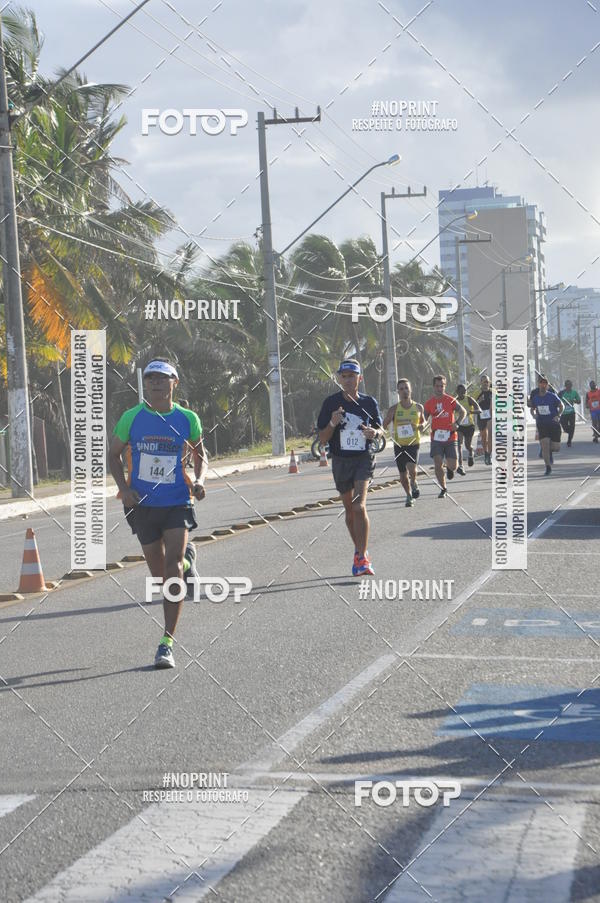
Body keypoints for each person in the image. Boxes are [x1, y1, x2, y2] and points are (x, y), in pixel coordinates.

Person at [108, 359, 207, 669]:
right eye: (150, 379)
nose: (155, 384)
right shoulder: (131, 418)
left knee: (172, 568)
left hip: (177, 500)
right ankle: (189, 560)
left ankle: (166, 642)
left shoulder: (187, 418)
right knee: (160, 577)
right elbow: (112, 455)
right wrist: (124, 489)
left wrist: (201, 480)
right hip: (142, 505)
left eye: (162, 379)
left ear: (174, 383)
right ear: (145, 384)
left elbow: (200, 452)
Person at [317, 359, 383, 576]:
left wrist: (374, 433)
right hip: (340, 460)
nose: (347, 379)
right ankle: (360, 551)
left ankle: (362, 558)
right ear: (339, 379)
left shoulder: (369, 403)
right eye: (343, 376)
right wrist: (333, 423)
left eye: (351, 376)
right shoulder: (330, 403)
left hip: (363, 458)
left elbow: (380, 430)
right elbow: (323, 439)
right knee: (349, 512)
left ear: (359, 378)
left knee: (358, 506)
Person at [382, 378, 424, 507]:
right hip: (399, 444)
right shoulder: (394, 409)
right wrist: (388, 421)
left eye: (406, 388)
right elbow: (384, 424)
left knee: (412, 468)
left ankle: (414, 482)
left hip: (413, 443)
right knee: (402, 475)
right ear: (398, 392)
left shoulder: (418, 407)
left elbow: (423, 421)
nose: (404, 391)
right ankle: (409, 495)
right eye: (401, 389)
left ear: (410, 390)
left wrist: (421, 426)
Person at [423, 375, 466, 498]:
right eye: (437, 386)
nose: (439, 388)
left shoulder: (450, 400)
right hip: (436, 437)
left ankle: (450, 469)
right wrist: (422, 425)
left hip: (450, 437)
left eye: (442, 386)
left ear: (444, 386)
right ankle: (443, 488)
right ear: (433, 387)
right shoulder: (429, 403)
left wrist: (457, 423)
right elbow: (424, 419)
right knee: (437, 463)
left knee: (453, 465)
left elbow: (463, 411)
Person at [529, 374, 564, 475]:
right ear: (538, 385)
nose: (543, 385)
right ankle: (548, 467)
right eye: (541, 383)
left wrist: (558, 415)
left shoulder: (552, 396)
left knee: (556, 448)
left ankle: (548, 450)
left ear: (547, 385)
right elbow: (532, 408)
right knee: (545, 445)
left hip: (553, 424)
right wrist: (533, 415)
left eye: (545, 383)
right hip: (542, 424)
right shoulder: (535, 397)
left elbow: (561, 406)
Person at [455, 384, 481, 474]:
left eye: (464, 391)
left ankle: (471, 453)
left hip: (469, 426)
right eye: (461, 392)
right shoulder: (455, 401)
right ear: (457, 392)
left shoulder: (469, 399)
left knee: (468, 446)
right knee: (459, 445)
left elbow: (479, 410)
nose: (463, 393)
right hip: (460, 426)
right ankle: (461, 465)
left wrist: (471, 411)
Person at [558, 380, 581, 447]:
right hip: (563, 413)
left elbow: (579, 401)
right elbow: (556, 399)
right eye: (567, 385)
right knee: (565, 427)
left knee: (572, 427)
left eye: (570, 385)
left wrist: (575, 400)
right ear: (565, 386)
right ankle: (569, 432)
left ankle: (569, 441)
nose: (568, 386)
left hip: (571, 413)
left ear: (571, 386)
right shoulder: (561, 393)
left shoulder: (574, 393)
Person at [476, 375, 493, 465]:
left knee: (490, 435)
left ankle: (489, 454)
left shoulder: (494, 392)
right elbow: (472, 403)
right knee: (484, 437)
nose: (486, 383)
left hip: (491, 417)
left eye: (487, 382)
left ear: (489, 382)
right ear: (481, 383)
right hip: (481, 416)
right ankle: (486, 454)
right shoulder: (477, 393)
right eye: (484, 382)